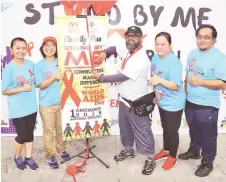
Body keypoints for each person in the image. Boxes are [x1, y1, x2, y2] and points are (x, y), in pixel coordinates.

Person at [93, 26, 156, 175]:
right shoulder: (128, 48)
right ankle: (128, 151)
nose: (130, 38)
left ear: (141, 38)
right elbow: (115, 48)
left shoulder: (141, 58)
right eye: (128, 36)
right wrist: (105, 52)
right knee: (124, 129)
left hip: (137, 102)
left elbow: (122, 77)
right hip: (124, 100)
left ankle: (150, 159)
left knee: (143, 132)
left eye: (135, 36)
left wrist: (101, 78)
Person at [178, 24, 226, 177]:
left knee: (208, 135)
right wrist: (186, 93)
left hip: (207, 105)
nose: (202, 40)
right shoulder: (192, 53)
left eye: (207, 37)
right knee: (194, 130)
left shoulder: (219, 58)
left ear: (214, 39)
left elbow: (223, 83)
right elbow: (188, 75)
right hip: (190, 101)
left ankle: (207, 163)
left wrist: (201, 82)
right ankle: (194, 151)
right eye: (199, 36)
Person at [149, 32, 186, 170]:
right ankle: (166, 150)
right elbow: (154, 76)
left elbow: (176, 86)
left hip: (174, 103)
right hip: (162, 100)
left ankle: (172, 156)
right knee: (165, 127)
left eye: (163, 44)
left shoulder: (174, 62)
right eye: (157, 44)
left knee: (172, 130)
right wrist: (155, 91)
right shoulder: (155, 58)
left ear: (170, 45)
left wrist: (159, 80)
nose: (159, 47)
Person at [2, 37, 39, 171]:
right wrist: (21, 89)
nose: (21, 51)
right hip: (18, 109)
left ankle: (28, 157)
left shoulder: (30, 64)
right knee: (22, 135)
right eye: (18, 48)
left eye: (24, 48)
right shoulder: (9, 69)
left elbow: (37, 80)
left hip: (31, 107)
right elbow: (4, 91)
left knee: (29, 134)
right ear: (11, 49)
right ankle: (17, 156)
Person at [34, 36, 70, 169]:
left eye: (52, 45)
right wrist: (55, 77)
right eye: (46, 46)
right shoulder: (38, 65)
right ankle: (50, 154)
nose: (49, 48)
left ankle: (61, 149)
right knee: (49, 131)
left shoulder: (62, 62)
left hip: (63, 102)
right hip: (46, 104)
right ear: (42, 48)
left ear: (56, 48)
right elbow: (41, 85)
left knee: (61, 129)